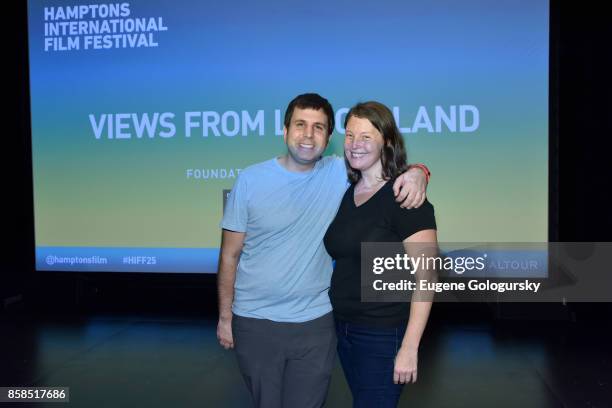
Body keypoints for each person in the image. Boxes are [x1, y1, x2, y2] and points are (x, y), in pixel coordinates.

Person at [216, 93, 430, 408]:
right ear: (284, 130)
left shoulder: (340, 172)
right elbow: (228, 255)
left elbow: (383, 166)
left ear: (328, 137)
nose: (308, 135)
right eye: (300, 125)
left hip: (316, 323)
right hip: (254, 321)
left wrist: (419, 172)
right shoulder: (250, 180)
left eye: (319, 127)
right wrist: (225, 316)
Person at [324, 101, 438, 407]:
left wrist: (410, 347)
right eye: (349, 135)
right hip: (344, 329)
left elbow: (427, 278)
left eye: (366, 136)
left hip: (383, 335)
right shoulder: (349, 191)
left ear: (386, 140)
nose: (354, 144)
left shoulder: (405, 197)